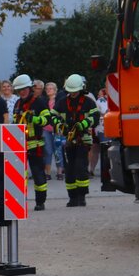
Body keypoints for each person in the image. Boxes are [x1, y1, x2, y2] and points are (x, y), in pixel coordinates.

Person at [55, 74, 99, 207]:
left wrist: (84, 124)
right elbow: (52, 116)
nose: (73, 93)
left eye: (75, 91)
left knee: (80, 167)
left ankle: (82, 196)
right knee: (69, 170)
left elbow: (95, 117)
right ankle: (72, 197)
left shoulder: (88, 102)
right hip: (67, 140)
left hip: (83, 140)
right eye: (70, 91)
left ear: (81, 89)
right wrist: (59, 125)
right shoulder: (62, 102)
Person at [11, 74, 52, 210]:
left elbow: (47, 120)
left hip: (35, 145)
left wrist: (33, 119)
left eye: (24, 89)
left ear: (29, 88)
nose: (21, 92)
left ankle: (40, 202)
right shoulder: (17, 103)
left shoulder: (39, 102)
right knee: (18, 176)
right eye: (19, 90)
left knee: (38, 174)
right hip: (19, 144)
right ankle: (18, 202)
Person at [42, 80, 64, 180]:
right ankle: (47, 172)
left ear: (55, 90)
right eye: (47, 89)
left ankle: (60, 172)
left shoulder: (59, 102)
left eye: (50, 88)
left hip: (57, 129)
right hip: (46, 129)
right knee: (48, 150)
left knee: (58, 150)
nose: (48, 90)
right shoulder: (44, 102)